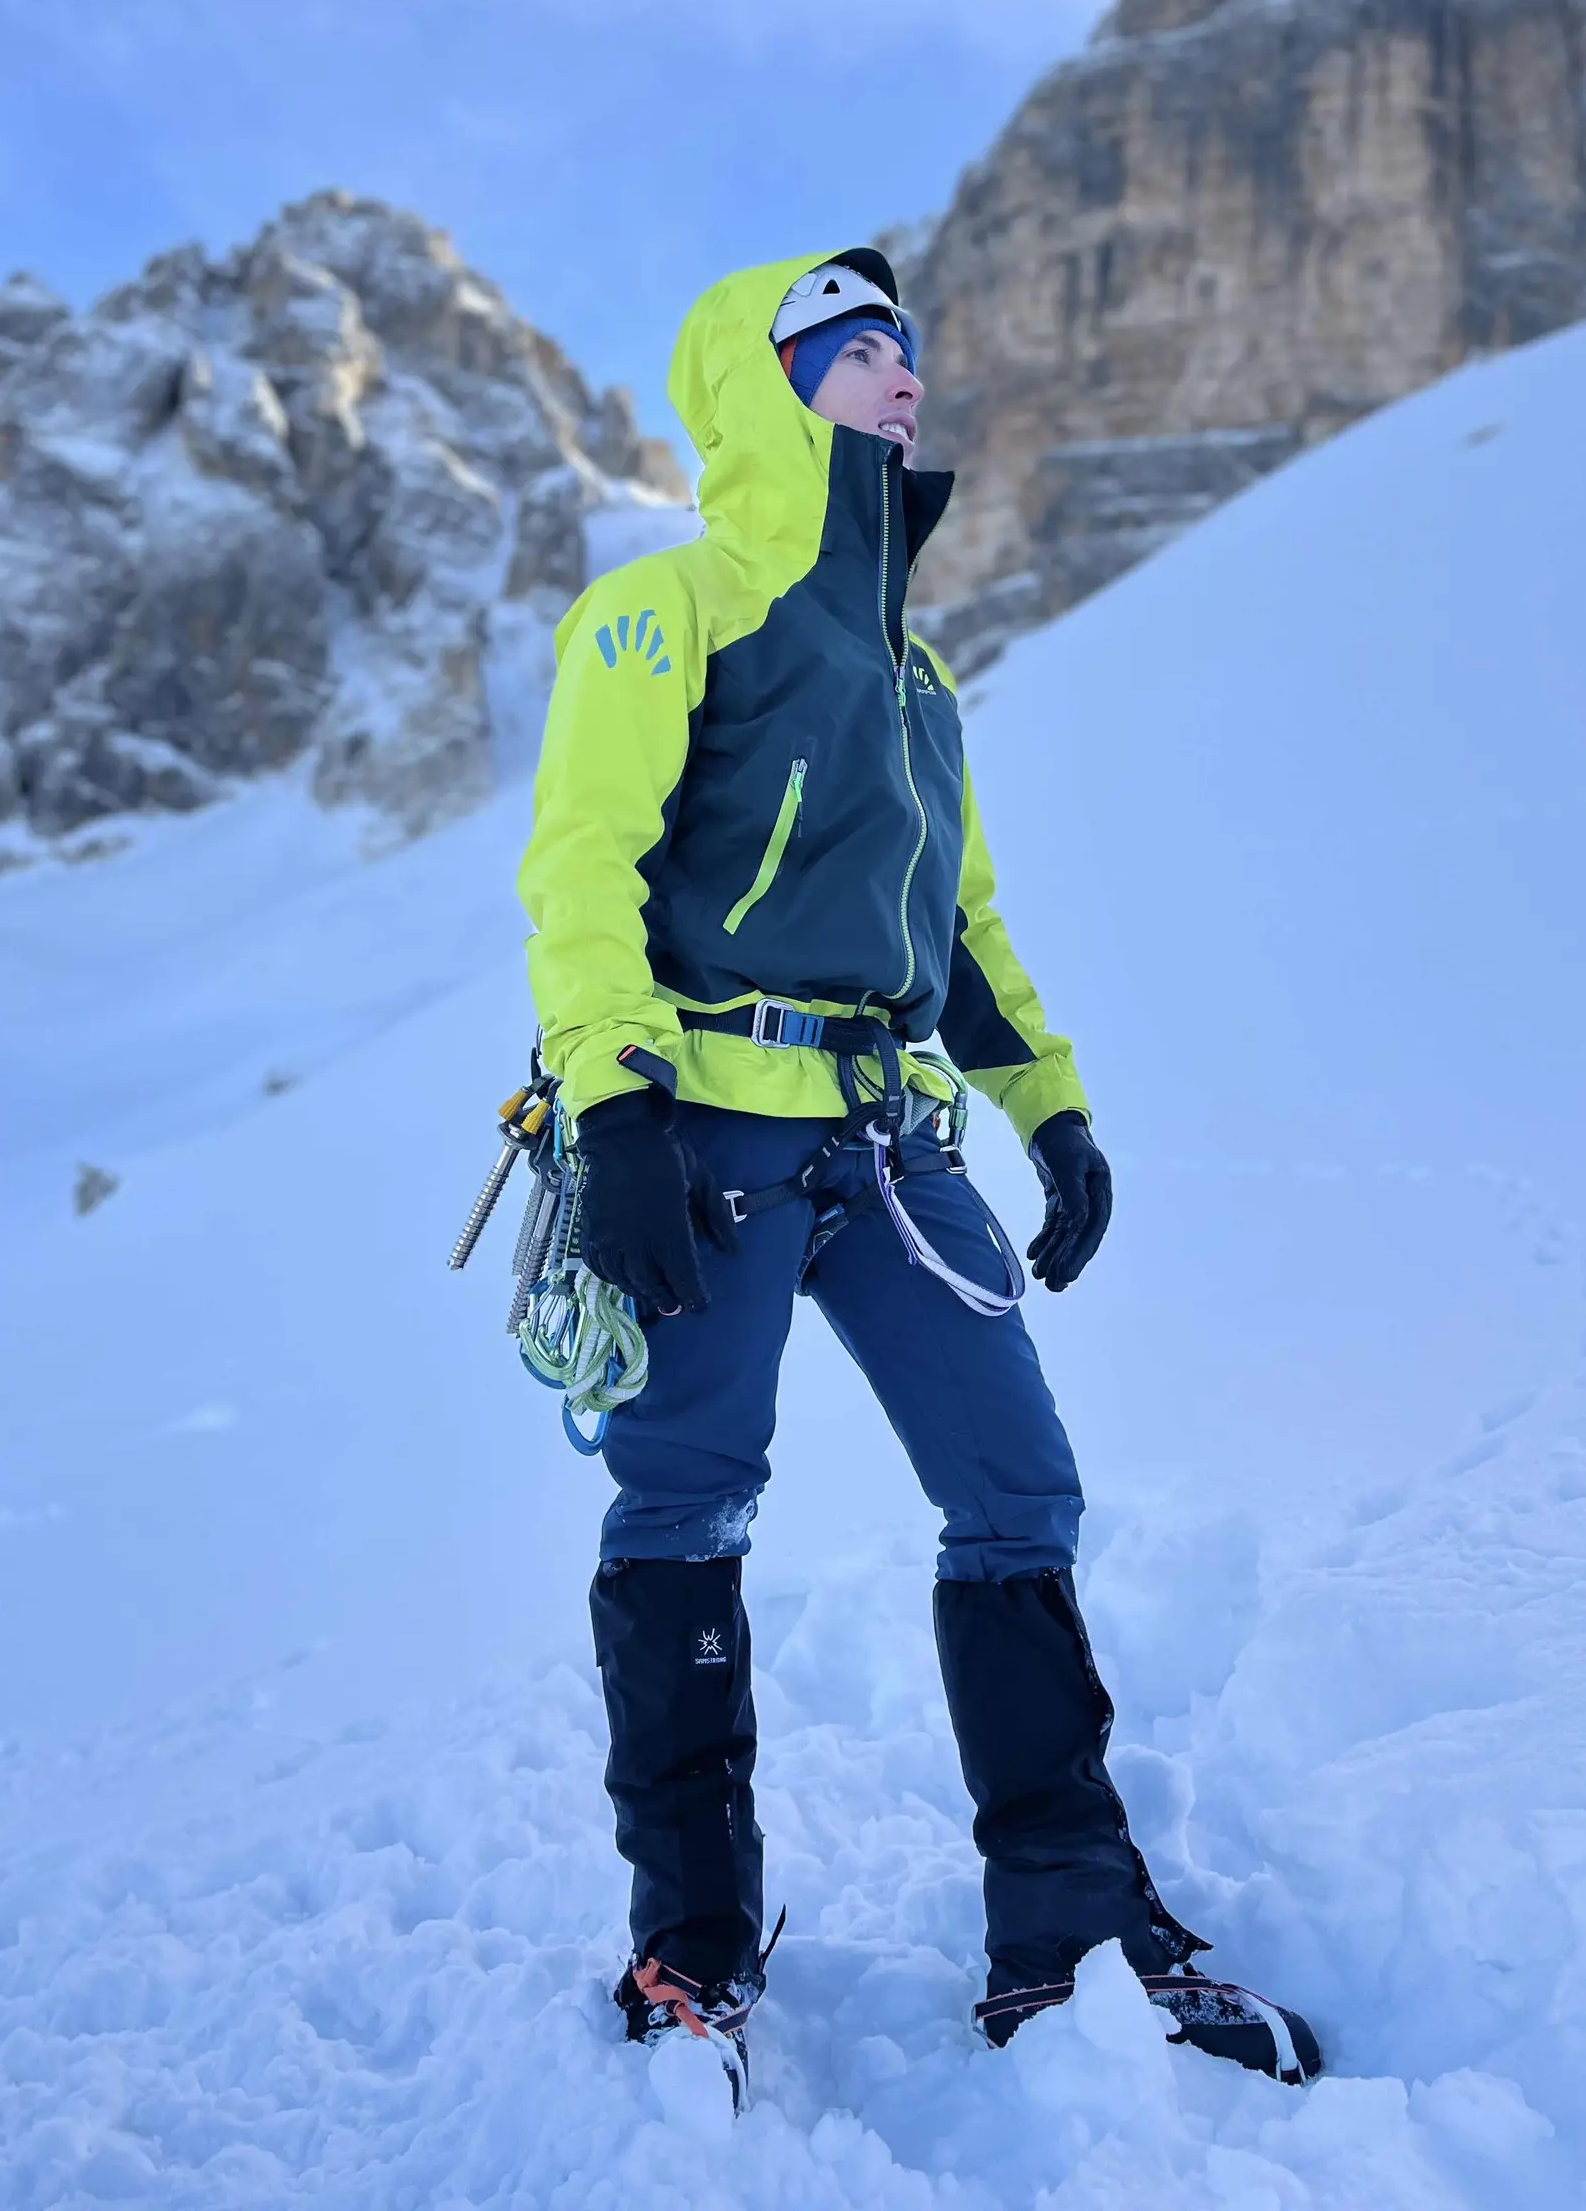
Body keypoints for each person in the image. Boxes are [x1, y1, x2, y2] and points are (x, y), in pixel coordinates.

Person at [517, 248, 1318, 2100]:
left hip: (887, 1141)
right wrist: (612, 1106)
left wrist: (1053, 1110)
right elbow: (581, 870)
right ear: (764, 380)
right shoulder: (667, 610)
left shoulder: (916, 668)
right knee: (683, 1504)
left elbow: (957, 926)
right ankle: (692, 1945)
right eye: (857, 345)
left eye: (907, 346)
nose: (903, 371)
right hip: (703, 1132)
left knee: (1018, 1486)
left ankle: (1070, 1933)